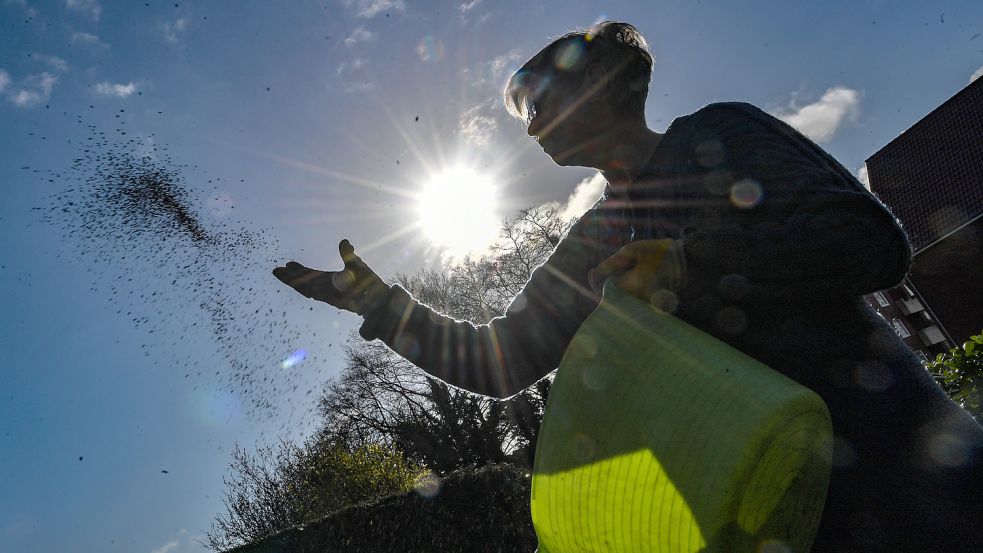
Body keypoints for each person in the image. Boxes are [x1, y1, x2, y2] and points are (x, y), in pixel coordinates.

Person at [274, 21, 983, 552]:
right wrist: (377, 301)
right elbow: (501, 359)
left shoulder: (722, 134)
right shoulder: (593, 239)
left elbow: (869, 241)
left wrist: (687, 265)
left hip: (908, 461)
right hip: (776, 510)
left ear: (609, 82)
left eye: (539, 100)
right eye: (523, 115)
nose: (529, 130)